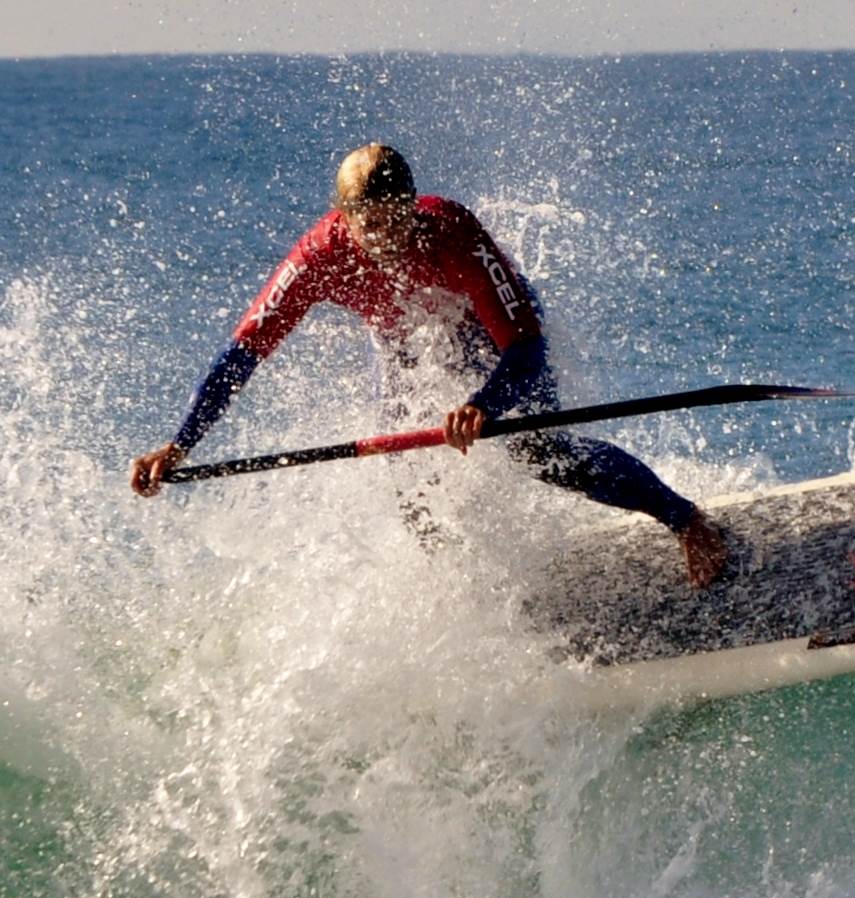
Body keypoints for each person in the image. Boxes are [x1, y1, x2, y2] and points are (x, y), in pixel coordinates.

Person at [131, 143, 728, 588]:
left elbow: (527, 348)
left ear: (413, 206)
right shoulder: (317, 257)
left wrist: (482, 405)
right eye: (372, 225)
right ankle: (463, 589)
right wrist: (179, 444)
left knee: (542, 454)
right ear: (344, 218)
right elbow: (243, 355)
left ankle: (686, 521)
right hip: (406, 342)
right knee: (408, 480)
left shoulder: (451, 231)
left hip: (497, 338)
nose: (388, 236)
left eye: (398, 218)